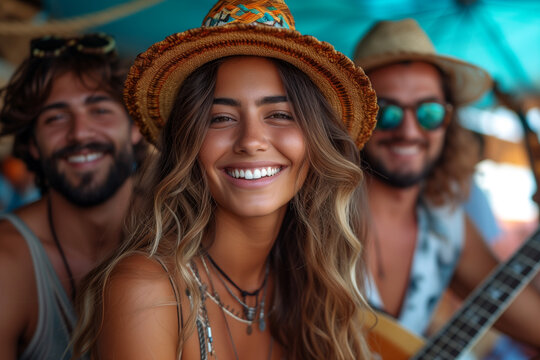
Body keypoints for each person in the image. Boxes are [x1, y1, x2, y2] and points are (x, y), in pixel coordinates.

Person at [71, 0, 379, 359]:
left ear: (316, 142)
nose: (250, 140)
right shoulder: (147, 290)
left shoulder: (312, 284)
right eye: (220, 118)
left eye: (279, 114)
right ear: (189, 145)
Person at [353, 18, 540, 352]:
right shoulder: (309, 217)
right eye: (386, 113)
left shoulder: (446, 222)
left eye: (429, 113)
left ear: (447, 121)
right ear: (352, 117)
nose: (409, 131)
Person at [0, 32, 144, 359]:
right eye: (56, 117)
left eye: (100, 110)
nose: (79, 132)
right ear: (33, 144)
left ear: (135, 126)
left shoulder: (184, 234)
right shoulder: (7, 261)